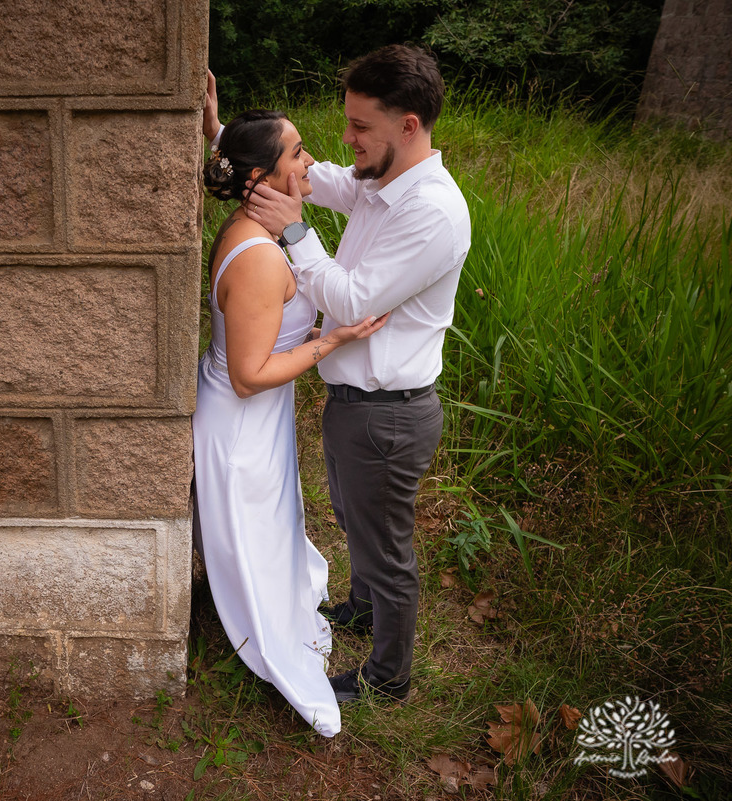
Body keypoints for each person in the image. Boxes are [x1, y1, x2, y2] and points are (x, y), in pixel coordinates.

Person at [204, 45, 471, 704]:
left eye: (359, 127)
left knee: (387, 544)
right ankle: (361, 606)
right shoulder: (380, 180)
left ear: (408, 125)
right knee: (356, 517)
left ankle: (388, 677)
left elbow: (352, 300)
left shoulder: (433, 211)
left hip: (390, 409)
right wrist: (222, 142)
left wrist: (296, 235)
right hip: (356, 402)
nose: (344, 140)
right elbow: (308, 177)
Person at [193, 108, 387, 737]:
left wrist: (216, 128)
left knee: (275, 526)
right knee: (255, 536)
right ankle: (261, 631)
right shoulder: (258, 258)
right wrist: (332, 341)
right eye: (298, 153)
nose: (310, 162)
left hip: (260, 419)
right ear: (262, 176)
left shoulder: (260, 229)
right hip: (241, 424)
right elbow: (249, 374)